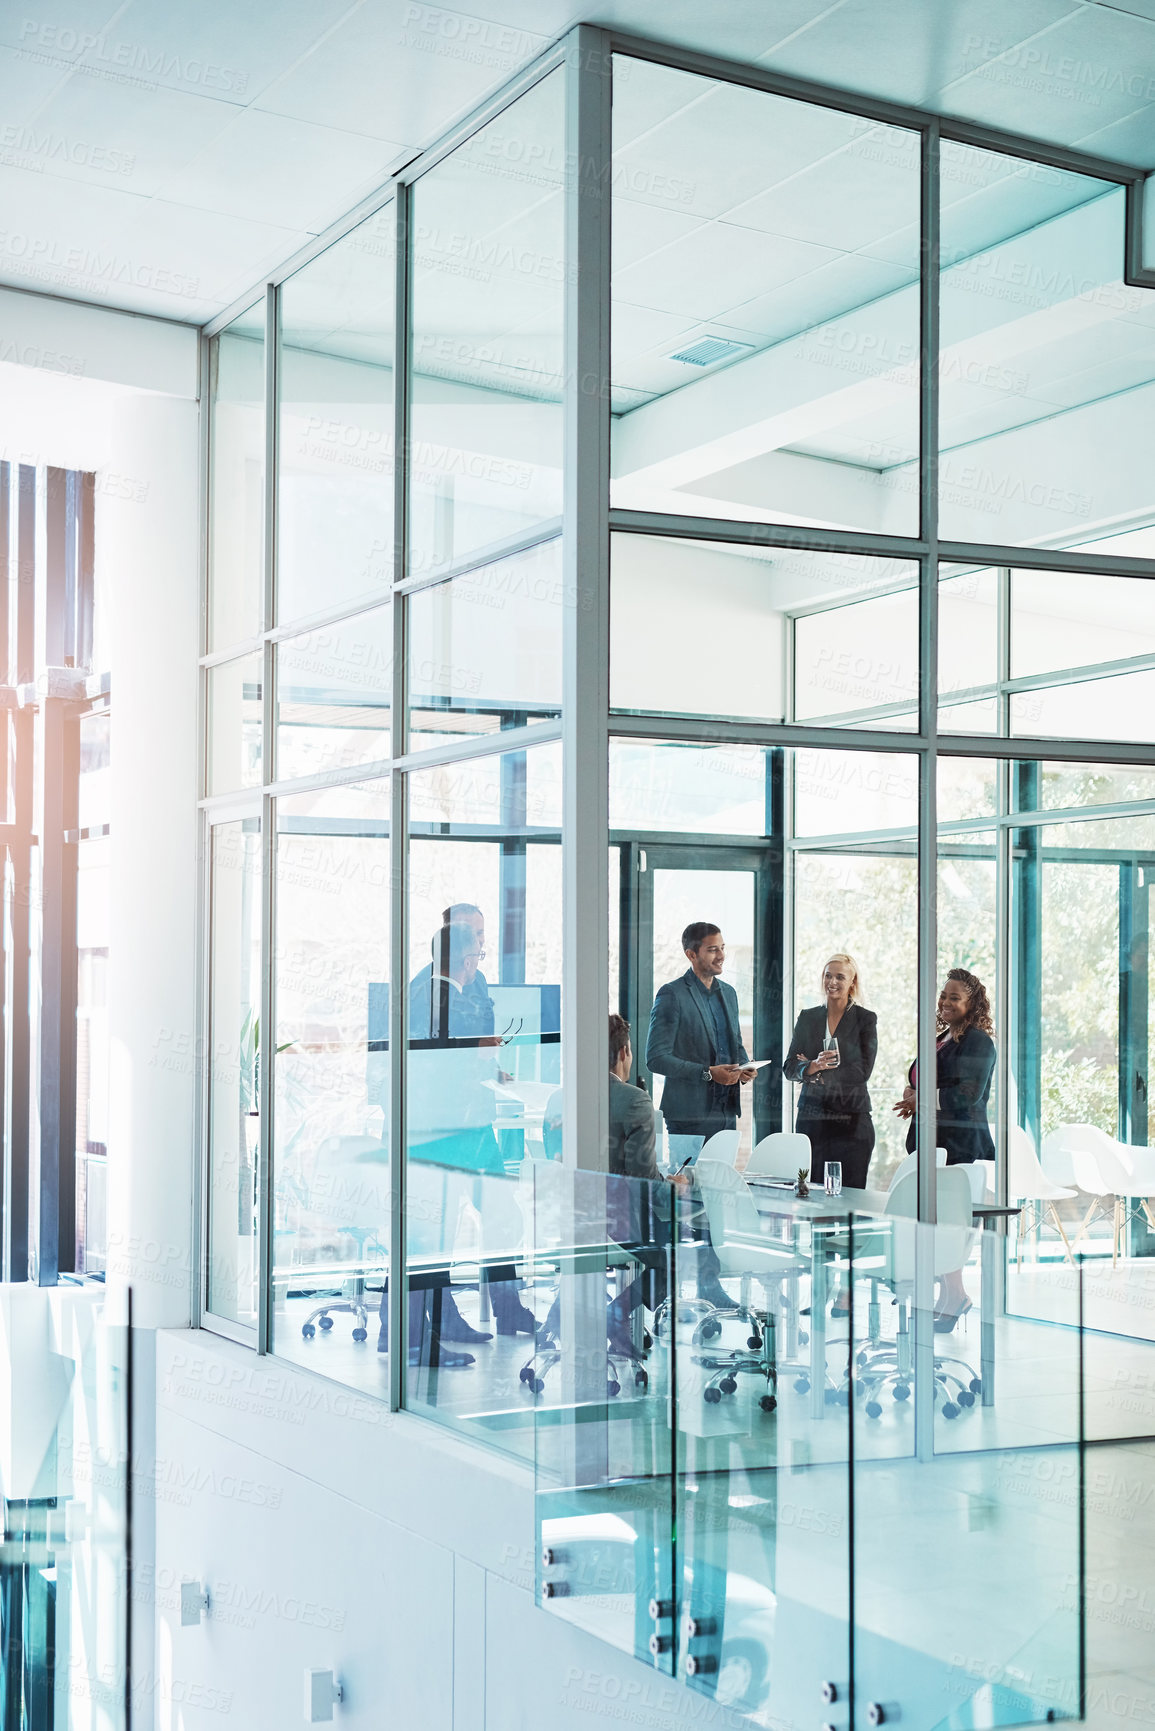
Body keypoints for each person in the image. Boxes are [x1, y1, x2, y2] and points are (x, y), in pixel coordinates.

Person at [893, 967, 996, 1331]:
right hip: (930, 1144)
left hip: (960, 1147)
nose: (946, 1002)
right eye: (944, 995)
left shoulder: (979, 1041)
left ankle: (955, 1296)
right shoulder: (941, 1038)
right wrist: (912, 1095)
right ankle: (951, 1295)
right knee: (934, 1224)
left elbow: (969, 1094)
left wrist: (922, 1099)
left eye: (955, 997)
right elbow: (925, 1081)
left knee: (949, 1225)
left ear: (972, 1003)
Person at [646, 922, 755, 1168]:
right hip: (689, 1117)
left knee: (720, 1189)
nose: (721, 956)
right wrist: (708, 1073)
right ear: (691, 954)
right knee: (689, 1195)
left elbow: (735, 1043)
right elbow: (655, 1057)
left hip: (727, 1113)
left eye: (723, 948)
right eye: (712, 950)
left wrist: (745, 1067)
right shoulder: (671, 994)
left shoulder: (728, 993)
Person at [783, 953, 878, 1191]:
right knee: (812, 1193)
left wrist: (816, 1074)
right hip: (812, 1119)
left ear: (852, 983)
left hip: (852, 1122)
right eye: (827, 975)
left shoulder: (865, 1019)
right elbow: (790, 1067)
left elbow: (862, 1071)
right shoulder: (807, 1017)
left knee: (850, 1197)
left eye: (839, 977)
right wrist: (812, 1066)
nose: (832, 982)